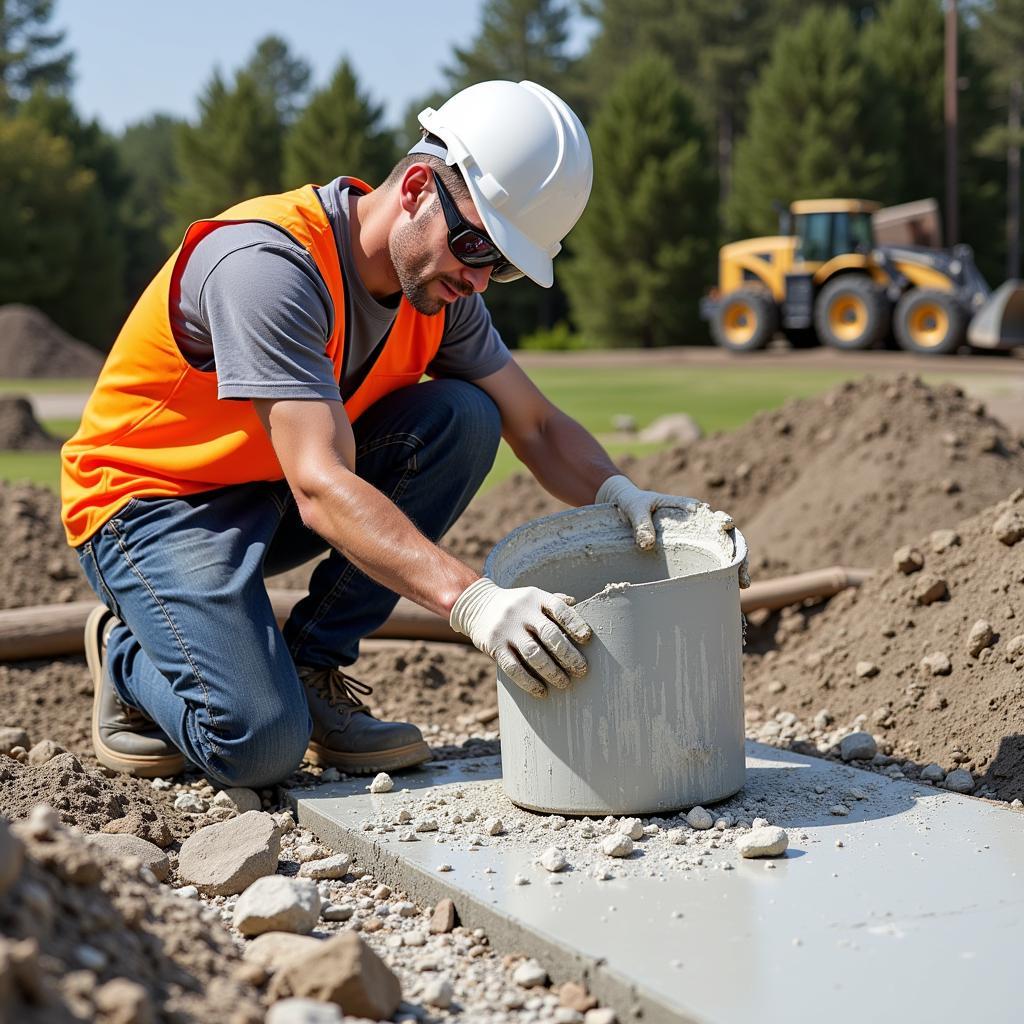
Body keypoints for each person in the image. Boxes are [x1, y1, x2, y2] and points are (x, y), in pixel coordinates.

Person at [61, 80, 717, 788]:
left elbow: (538, 423)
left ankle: (312, 665)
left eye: (501, 263)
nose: (478, 277)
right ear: (413, 189)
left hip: (266, 486)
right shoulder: (268, 268)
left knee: (467, 416)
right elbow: (318, 484)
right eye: (472, 243)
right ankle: (128, 652)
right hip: (153, 505)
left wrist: (619, 494)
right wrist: (475, 601)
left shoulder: (439, 289)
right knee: (258, 746)